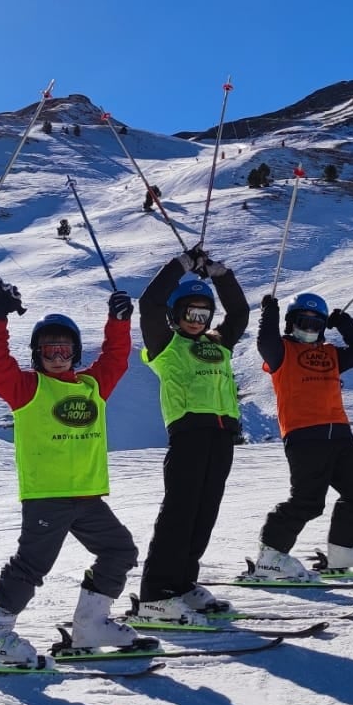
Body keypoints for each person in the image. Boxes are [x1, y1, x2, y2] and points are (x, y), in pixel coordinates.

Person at [0, 284, 144, 659]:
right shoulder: (26, 388)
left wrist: (119, 321)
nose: (57, 356)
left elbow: (117, 358)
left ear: (75, 353)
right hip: (47, 498)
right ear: (37, 354)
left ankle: (90, 626)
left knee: (119, 550)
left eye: (64, 349)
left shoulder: (91, 386)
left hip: (87, 497)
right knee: (32, 566)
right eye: (49, 350)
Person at [135, 246, 249, 622]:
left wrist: (220, 274)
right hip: (189, 435)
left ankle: (182, 584)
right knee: (179, 514)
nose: (198, 320)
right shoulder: (167, 346)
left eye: (204, 314)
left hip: (222, 436)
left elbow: (241, 313)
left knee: (204, 514)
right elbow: (149, 304)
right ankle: (156, 593)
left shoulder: (218, 344)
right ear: (177, 315)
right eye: (190, 313)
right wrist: (181, 265)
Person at [248, 290, 353, 578]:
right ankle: (271, 556)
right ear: (290, 323)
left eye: (315, 324)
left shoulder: (331, 353)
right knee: (308, 501)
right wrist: (269, 311)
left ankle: (344, 547)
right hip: (304, 436)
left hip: (340, 434)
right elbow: (265, 342)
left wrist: (344, 321)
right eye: (302, 322)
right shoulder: (282, 352)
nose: (308, 329)